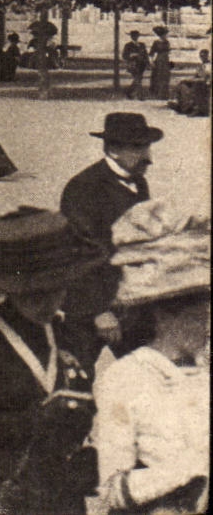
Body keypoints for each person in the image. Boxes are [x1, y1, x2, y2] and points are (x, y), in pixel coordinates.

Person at [0, 207, 106, 515]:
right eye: (32, 295)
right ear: (8, 289)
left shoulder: (68, 335)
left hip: (56, 491)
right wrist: (27, 423)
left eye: (55, 291)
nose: (47, 303)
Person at [92, 200, 210, 515]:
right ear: (164, 313)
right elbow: (112, 491)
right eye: (199, 313)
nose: (207, 324)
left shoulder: (205, 370)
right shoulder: (127, 377)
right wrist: (191, 470)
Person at [59, 111, 161, 371]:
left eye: (147, 147)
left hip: (130, 302)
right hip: (90, 307)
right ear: (113, 150)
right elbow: (78, 253)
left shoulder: (139, 182)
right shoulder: (83, 188)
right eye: (138, 148)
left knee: (148, 374)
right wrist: (99, 311)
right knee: (75, 379)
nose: (148, 157)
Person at [122, 31, 150, 100]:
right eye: (134, 36)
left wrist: (148, 63)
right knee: (138, 78)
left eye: (137, 36)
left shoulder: (142, 44)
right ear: (131, 37)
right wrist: (131, 55)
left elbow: (146, 55)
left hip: (141, 64)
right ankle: (140, 96)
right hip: (133, 64)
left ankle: (129, 93)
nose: (135, 37)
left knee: (138, 79)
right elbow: (124, 55)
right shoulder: (128, 45)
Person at [148, 26, 173, 100]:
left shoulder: (167, 42)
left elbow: (169, 52)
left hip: (166, 61)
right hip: (159, 61)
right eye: (164, 34)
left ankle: (165, 95)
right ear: (161, 35)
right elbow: (151, 53)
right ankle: (158, 94)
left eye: (166, 34)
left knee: (166, 77)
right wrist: (151, 62)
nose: (165, 36)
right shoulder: (156, 42)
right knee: (158, 77)